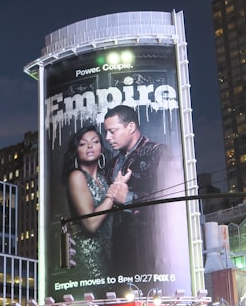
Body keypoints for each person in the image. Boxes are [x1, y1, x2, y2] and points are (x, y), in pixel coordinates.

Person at [102, 104, 177, 278]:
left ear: (131, 127)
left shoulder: (158, 153)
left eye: (112, 131)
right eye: (106, 132)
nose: (107, 137)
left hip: (149, 254)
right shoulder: (111, 165)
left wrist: (127, 198)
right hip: (115, 256)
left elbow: (170, 202)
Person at [61, 125, 129, 278]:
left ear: (101, 148)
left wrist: (117, 187)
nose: (90, 146)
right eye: (83, 143)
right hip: (88, 260)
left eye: (95, 142)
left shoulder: (102, 180)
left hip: (107, 256)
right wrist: (112, 194)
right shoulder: (77, 176)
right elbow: (90, 224)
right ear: (76, 151)